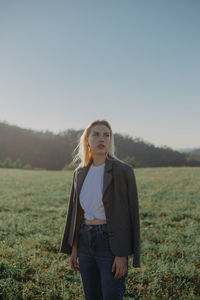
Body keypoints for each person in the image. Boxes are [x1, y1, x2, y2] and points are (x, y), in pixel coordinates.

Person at [59, 120, 141, 300]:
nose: (101, 138)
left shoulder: (123, 171)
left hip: (110, 244)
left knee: (111, 295)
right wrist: (74, 247)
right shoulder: (79, 173)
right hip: (84, 242)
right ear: (87, 140)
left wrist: (122, 254)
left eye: (106, 135)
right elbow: (75, 212)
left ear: (111, 140)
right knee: (91, 296)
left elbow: (130, 215)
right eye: (96, 134)